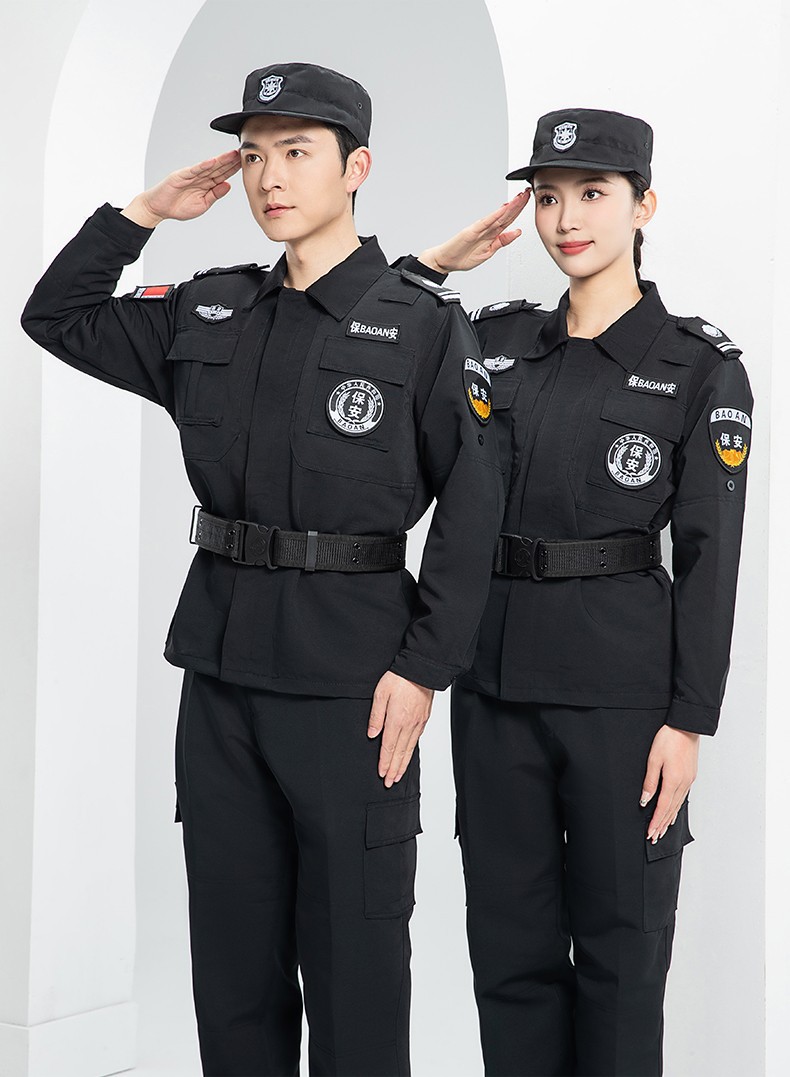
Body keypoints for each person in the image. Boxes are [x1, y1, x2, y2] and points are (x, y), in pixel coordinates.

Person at [21, 62, 505, 1077]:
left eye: (296, 151)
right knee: (233, 972)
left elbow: (472, 510)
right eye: (251, 155)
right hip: (222, 677)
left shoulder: (422, 324)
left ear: (356, 168)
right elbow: (55, 317)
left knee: (355, 969)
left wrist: (424, 669)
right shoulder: (212, 310)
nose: (269, 176)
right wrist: (143, 214)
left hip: (353, 684)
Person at [408, 107, 753, 1075]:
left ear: (643, 206)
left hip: (622, 702)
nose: (566, 219)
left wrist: (687, 722)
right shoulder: (495, 342)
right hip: (494, 689)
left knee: (620, 956)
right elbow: (376, 336)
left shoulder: (697, 368)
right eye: (549, 197)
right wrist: (428, 268)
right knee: (507, 953)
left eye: (593, 194)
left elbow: (711, 557)